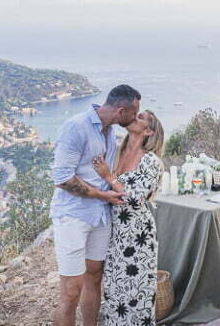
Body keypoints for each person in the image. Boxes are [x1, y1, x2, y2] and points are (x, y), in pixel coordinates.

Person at [50, 84, 142, 326]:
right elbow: (62, 179)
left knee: (94, 277)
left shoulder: (109, 132)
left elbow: (105, 175)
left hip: (100, 217)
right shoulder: (76, 127)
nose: (135, 118)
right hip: (73, 216)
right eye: (134, 113)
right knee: (71, 291)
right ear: (122, 111)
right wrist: (104, 196)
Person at [92, 109, 164, 326]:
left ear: (149, 131)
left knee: (137, 293)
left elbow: (135, 198)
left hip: (138, 235)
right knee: (115, 292)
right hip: (114, 234)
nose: (135, 117)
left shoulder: (150, 161)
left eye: (141, 118)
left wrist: (108, 176)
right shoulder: (116, 152)